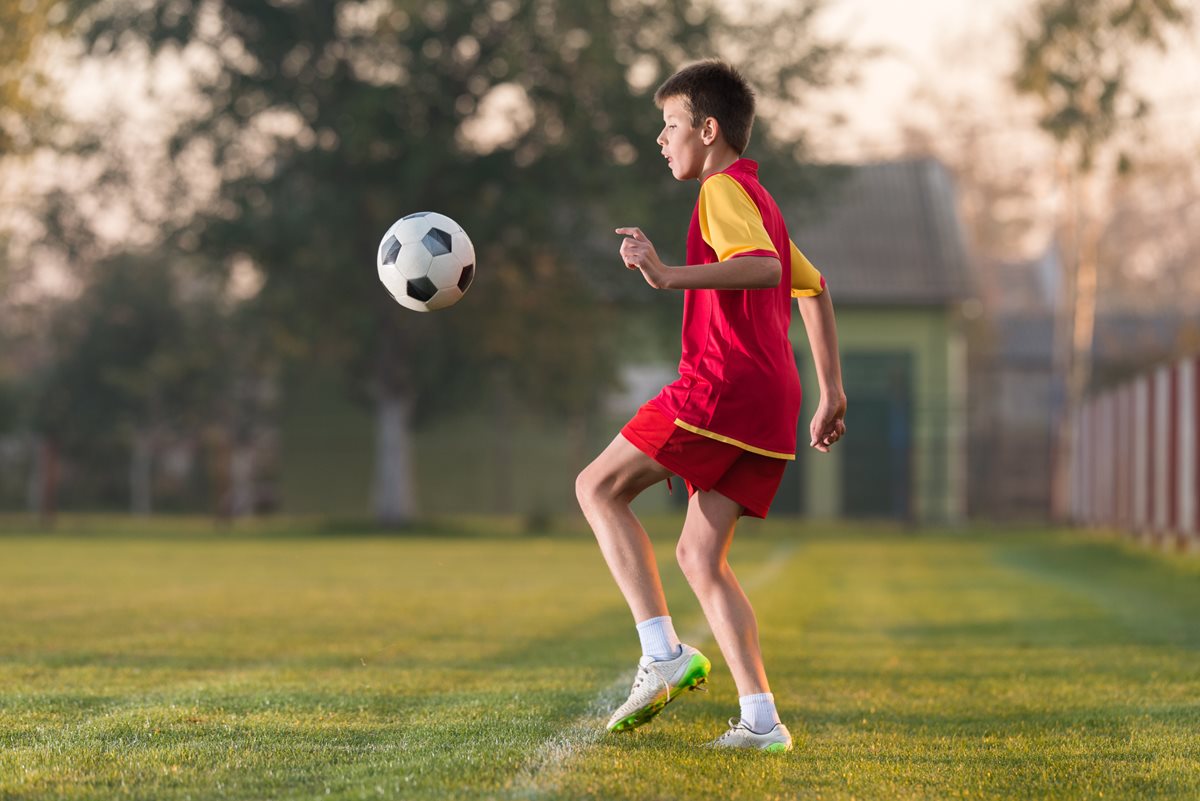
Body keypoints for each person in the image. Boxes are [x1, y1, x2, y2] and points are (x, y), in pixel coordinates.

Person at [574, 59, 847, 752]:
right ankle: (762, 721)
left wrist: (665, 274)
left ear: (709, 128)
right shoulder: (761, 199)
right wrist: (832, 390)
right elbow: (809, 285)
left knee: (596, 486)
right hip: (771, 399)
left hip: (723, 385)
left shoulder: (722, 192)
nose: (662, 140)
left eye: (669, 126)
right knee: (700, 556)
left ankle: (661, 652)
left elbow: (759, 266)